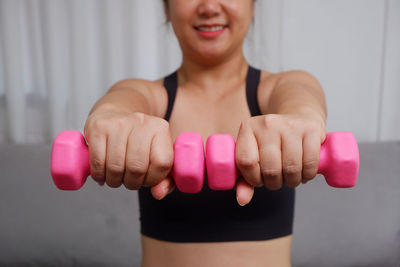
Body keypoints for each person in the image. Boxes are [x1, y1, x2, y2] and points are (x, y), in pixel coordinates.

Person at [84, 0, 327, 266]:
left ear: (252, 6)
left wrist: (300, 118)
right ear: (167, 9)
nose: (209, 7)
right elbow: (120, 102)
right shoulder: (145, 94)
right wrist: (110, 116)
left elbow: (301, 99)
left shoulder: (283, 86)